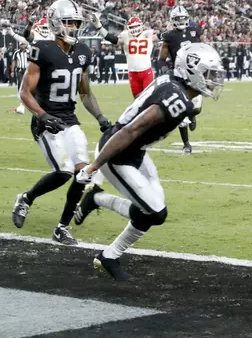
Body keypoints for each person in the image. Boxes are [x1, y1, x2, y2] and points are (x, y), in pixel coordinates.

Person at [74, 43, 225, 280]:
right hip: (118, 152)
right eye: (208, 74)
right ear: (191, 71)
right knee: (156, 212)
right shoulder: (176, 97)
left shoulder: (176, 88)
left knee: (152, 207)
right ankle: (98, 207)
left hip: (136, 151)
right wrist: (94, 167)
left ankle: (109, 256)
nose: (213, 80)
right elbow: (131, 131)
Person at [12, 0, 111, 245]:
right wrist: (43, 115)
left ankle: (61, 228)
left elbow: (85, 92)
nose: (73, 28)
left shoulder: (83, 53)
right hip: (45, 120)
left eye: (76, 23)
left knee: (83, 174)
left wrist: (100, 117)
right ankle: (26, 198)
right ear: (56, 23)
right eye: (68, 22)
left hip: (69, 119)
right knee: (64, 171)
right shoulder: (42, 49)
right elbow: (24, 93)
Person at [158, 5, 203, 154]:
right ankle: (187, 144)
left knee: (196, 108)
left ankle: (192, 114)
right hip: (178, 74)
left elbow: (203, 48)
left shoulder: (195, 31)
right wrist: (165, 70)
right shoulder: (169, 36)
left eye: (183, 18)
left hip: (195, 74)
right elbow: (162, 59)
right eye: (178, 19)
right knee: (181, 111)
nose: (181, 21)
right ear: (173, 20)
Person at [91, 15, 160, 97]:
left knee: (149, 99)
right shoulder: (125, 35)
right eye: (132, 27)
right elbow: (110, 38)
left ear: (141, 26)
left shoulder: (148, 34)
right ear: (128, 28)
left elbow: (164, 36)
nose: (134, 29)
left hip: (146, 72)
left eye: (136, 26)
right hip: (133, 74)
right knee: (137, 101)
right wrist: (99, 27)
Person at [10, 42, 29, 113]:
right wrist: (12, 71)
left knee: (28, 84)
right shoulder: (16, 53)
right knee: (20, 83)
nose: (22, 46)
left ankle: (28, 96)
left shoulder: (28, 52)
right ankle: (21, 96)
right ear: (19, 45)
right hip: (19, 70)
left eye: (23, 44)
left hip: (27, 70)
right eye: (21, 44)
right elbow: (14, 61)